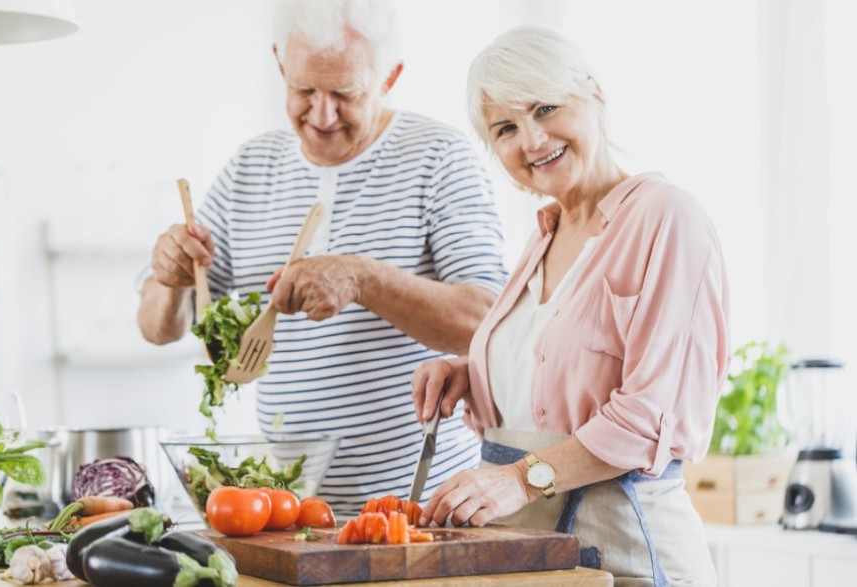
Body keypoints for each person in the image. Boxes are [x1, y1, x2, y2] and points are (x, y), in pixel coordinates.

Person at [137, 0, 507, 517]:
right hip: (288, 510)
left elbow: (486, 321)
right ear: (280, 65)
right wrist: (169, 275)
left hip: (427, 507)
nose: (322, 114)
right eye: (305, 90)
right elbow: (159, 328)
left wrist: (362, 278)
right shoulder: (249, 169)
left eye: (345, 94)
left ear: (390, 77)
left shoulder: (438, 157)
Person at [411, 26, 729, 586]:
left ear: (595, 95)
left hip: (632, 558)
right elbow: (562, 381)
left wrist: (517, 480)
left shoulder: (666, 218)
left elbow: (647, 416)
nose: (531, 141)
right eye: (506, 128)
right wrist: (475, 373)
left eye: (545, 108)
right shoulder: (546, 234)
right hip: (538, 560)